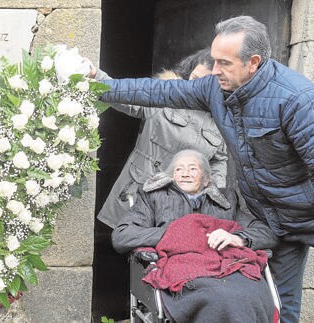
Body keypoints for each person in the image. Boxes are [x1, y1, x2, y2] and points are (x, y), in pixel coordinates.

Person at [96, 15, 314, 323]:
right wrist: (99, 85)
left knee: (283, 306)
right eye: (214, 60)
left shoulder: (297, 100)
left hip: (296, 220)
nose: (214, 71)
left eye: (224, 63)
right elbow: (158, 93)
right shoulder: (215, 88)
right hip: (257, 215)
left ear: (253, 62)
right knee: (255, 297)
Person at [112, 149, 279, 323]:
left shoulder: (226, 201)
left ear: (206, 179)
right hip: (186, 273)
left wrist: (237, 238)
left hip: (229, 269)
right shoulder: (155, 197)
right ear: (171, 177)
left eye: (193, 169)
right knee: (220, 298)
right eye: (178, 169)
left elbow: (267, 233)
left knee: (252, 295)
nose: (185, 174)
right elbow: (122, 235)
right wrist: (180, 234)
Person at [97, 48, 228, 229]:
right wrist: (96, 76)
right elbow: (126, 97)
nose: (196, 87)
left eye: (204, 83)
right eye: (194, 79)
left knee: (169, 251)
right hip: (137, 193)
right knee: (122, 245)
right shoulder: (167, 94)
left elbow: (218, 160)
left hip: (181, 206)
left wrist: (215, 198)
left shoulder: (221, 117)